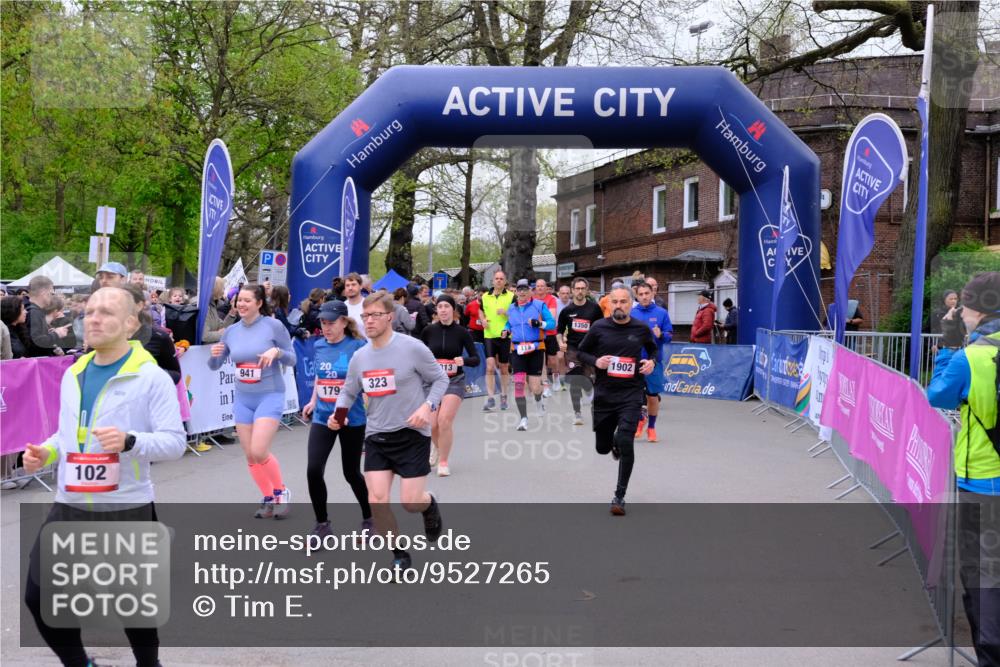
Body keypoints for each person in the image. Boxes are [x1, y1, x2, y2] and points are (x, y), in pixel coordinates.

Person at [21, 286, 186, 667]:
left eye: (106, 312)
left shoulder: (151, 377)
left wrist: (130, 441)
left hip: (125, 506)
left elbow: (175, 442)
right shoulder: (74, 372)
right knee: (40, 596)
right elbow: (67, 435)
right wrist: (46, 452)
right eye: (90, 311)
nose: (93, 319)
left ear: (130, 323)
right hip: (70, 504)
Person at [329, 292, 448, 575]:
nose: (369, 321)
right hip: (377, 435)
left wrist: (427, 407)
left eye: (375, 315)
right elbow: (348, 391)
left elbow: (440, 379)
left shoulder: (412, 348)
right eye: (365, 316)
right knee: (377, 500)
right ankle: (399, 554)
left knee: (410, 502)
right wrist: (338, 415)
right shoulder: (360, 357)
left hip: (412, 433)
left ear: (390, 317)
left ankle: (428, 505)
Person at [926, 272, 1000, 667]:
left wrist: (949, 345)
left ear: (979, 310)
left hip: (984, 482)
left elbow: (938, 395)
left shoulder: (970, 357)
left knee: (984, 578)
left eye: (965, 308)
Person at [208, 284, 296, 518]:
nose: (242, 304)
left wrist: (277, 353)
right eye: (239, 300)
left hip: (270, 394)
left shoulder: (273, 326)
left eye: (247, 300)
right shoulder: (231, 331)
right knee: (249, 454)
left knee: (259, 450)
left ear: (259, 303)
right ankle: (268, 498)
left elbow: (292, 359)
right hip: (243, 398)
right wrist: (214, 356)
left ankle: (281, 492)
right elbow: (215, 365)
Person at [577, 286, 657, 515]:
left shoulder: (641, 328)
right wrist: (596, 361)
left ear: (631, 304)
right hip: (604, 394)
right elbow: (581, 352)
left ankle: (619, 496)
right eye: (615, 302)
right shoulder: (598, 327)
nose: (619, 305)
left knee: (626, 441)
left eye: (623, 301)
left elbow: (653, 350)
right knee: (602, 448)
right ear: (609, 304)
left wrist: (651, 362)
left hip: (631, 393)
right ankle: (613, 442)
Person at [301, 301, 372, 540]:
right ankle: (322, 525)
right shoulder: (319, 345)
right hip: (323, 417)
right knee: (313, 470)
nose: (326, 327)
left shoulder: (358, 346)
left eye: (331, 323)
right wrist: (313, 400)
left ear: (343, 322)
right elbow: (320, 376)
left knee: (351, 473)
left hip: (351, 418)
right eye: (323, 323)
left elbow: (365, 381)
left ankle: (370, 518)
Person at [420, 294, 480, 476]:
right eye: (440, 307)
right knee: (432, 425)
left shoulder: (462, 332)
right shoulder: (428, 331)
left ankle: (443, 461)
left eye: (447, 306)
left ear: (453, 310)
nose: (443, 310)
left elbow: (476, 359)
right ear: (436, 310)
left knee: (444, 420)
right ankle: (437, 447)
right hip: (432, 382)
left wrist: (464, 361)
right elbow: (419, 356)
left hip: (454, 380)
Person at [505, 279, 556, 431]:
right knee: (519, 385)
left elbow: (552, 323)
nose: (522, 292)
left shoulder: (539, 305)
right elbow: (509, 324)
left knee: (535, 387)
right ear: (516, 292)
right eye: (519, 289)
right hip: (517, 350)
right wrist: (505, 330)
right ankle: (523, 419)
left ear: (530, 291)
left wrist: (539, 324)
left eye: (525, 289)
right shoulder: (511, 308)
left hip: (536, 348)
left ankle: (539, 400)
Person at [557, 277, 603, 425]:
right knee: (575, 380)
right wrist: (560, 342)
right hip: (573, 350)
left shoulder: (595, 308)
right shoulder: (567, 311)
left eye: (583, 288)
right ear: (572, 290)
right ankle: (577, 413)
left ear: (587, 290)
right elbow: (559, 331)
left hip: (590, 350)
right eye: (577, 288)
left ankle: (589, 392)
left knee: (588, 380)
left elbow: (601, 328)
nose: (580, 291)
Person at [631, 282, 672, 443]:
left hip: (653, 361)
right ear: (636, 296)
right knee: (634, 396)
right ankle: (639, 420)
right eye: (640, 294)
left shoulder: (661, 313)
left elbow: (669, 335)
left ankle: (652, 427)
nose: (644, 297)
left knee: (652, 397)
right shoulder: (631, 313)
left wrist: (661, 334)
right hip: (634, 360)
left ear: (652, 294)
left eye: (646, 293)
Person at [481, 270, 515, 412]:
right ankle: (490, 398)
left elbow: (517, 314)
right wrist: (483, 320)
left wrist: (506, 312)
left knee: (504, 367)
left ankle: (504, 395)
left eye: (501, 278)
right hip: (489, 335)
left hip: (504, 335)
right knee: (489, 366)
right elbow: (480, 310)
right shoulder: (485, 296)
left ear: (505, 281)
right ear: (493, 281)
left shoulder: (511, 296)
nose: (499, 280)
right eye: (497, 278)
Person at [25, 276, 65, 357]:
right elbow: (37, 342)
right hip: (36, 362)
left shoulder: (34, 311)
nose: (52, 297)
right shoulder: (34, 312)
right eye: (51, 293)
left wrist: (50, 334)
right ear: (43, 293)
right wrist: (56, 334)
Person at [534, 278, 561, 395]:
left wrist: (538, 320)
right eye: (538, 286)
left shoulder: (551, 299)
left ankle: (556, 378)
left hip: (550, 334)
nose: (540, 288)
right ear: (535, 288)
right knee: (541, 362)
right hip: (537, 335)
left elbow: (552, 318)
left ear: (546, 288)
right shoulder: (532, 299)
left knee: (552, 360)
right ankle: (545, 386)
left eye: (542, 286)